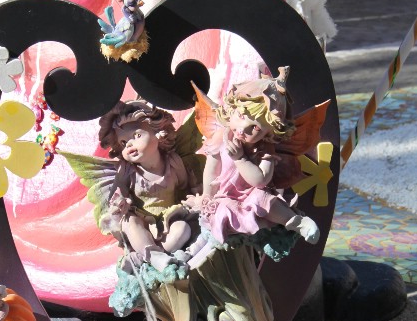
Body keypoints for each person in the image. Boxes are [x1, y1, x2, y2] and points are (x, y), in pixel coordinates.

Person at [187, 69, 320, 267]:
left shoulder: (264, 148)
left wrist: (240, 159)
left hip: (251, 194)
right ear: (232, 109)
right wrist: (207, 195)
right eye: (241, 116)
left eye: (255, 128)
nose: (243, 129)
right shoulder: (221, 137)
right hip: (225, 196)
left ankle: (297, 222)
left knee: (264, 199)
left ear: (269, 132)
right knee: (222, 211)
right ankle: (197, 252)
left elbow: (260, 180)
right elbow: (211, 170)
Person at [98, 100, 195, 272]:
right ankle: (153, 255)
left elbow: (185, 188)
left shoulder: (174, 163)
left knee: (183, 229)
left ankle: (146, 257)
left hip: (169, 221)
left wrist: (195, 197)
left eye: (136, 136)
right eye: (123, 143)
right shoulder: (127, 170)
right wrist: (120, 204)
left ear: (158, 133)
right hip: (142, 224)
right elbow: (118, 195)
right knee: (129, 221)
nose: (129, 145)